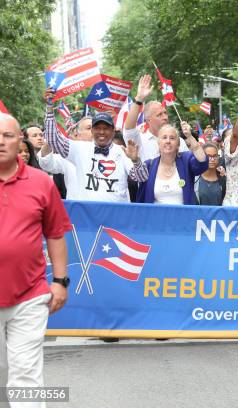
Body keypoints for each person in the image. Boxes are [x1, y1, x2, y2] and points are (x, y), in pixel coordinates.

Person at [0, 112, 72, 397]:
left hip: (29, 296)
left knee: (26, 376)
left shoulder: (42, 182)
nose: (1, 141)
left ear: (20, 141)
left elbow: (55, 234)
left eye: (7, 135)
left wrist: (60, 281)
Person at [44, 89, 148, 202]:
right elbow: (53, 139)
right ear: (92, 131)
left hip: (116, 216)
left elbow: (141, 178)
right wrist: (49, 107)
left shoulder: (122, 152)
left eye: (106, 128)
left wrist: (136, 160)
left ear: (113, 131)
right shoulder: (79, 148)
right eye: (97, 128)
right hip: (87, 216)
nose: (101, 132)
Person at [123, 75, 192, 162]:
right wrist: (139, 99)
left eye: (165, 113)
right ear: (148, 120)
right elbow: (129, 129)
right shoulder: (140, 140)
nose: (165, 117)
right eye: (159, 115)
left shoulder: (179, 141)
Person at [136, 123, 208, 204]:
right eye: (164, 137)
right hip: (156, 215)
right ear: (158, 143)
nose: (168, 141)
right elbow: (138, 178)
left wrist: (189, 136)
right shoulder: (149, 165)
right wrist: (135, 160)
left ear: (178, 144)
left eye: (172, 138)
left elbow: (202, 162)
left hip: (183, 215)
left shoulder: (186, 160)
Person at [39, 116, 93, 200]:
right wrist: (51, 140)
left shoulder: (114, 152)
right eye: (89, 128)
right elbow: (46, 164)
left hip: (103, 209)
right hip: (76, 209)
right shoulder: (68, 153)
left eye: (96, 128)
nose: (95, 131)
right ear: (77, 133)